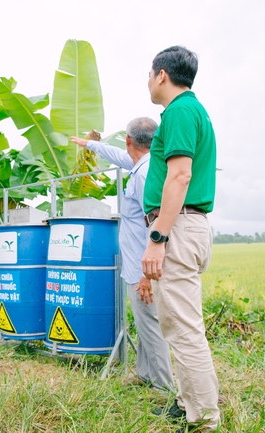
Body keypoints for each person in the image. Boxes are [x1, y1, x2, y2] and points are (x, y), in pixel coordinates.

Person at [141, 46, 219, 431]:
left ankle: (203, 419)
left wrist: (158, 237)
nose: (148, 80)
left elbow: (180, 176)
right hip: (186, 226)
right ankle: (188, 403)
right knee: (180, 323)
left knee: (184, 329)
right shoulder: (189, 110)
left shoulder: (180, 111)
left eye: (149, 73)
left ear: (161, 75)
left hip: (178, 227)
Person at [70, 118, 173, 391]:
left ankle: (163, 388)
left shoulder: (142, 175)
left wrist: (146, 276)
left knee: (151, 328)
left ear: (129, 140)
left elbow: (155, 224)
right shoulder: (143, 164)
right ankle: (144, 375)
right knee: (144, 324)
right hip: (138, 269)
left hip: (144, 270)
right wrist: (92, 145)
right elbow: (118, 156)